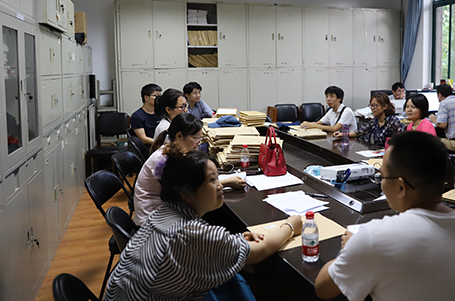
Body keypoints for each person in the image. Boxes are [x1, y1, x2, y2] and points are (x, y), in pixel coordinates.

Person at [314, 131, 455, 301]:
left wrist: (352, 247)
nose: (381, 184)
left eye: (382, 177)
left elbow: (323, 288)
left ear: (401, 187)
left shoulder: (375, 238)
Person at [105, 147, 302, 301]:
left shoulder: (164, 212)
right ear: (186, 193)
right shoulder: (191, 234)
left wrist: (230, 242)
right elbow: (261, 249)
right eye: (212, 180)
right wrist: (291, 225)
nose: (220, 185)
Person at [134, 113, 245, 226]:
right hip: (152, 218)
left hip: (162, 212)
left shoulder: (172, 151)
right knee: (215, 213)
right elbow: (186, 191)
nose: (198, 142)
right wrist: (225, 182)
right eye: (195, 138)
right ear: (179, 136)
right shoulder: (164, 159)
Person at [333, 92, 403, 147]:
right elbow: (360, 132)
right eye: (371, 105)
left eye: (375, 105)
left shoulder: (393, 122)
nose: (372, 108)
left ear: (385, 106)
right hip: (377, 152)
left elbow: (399, 144)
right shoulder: (375, 121)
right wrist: (343, 134)